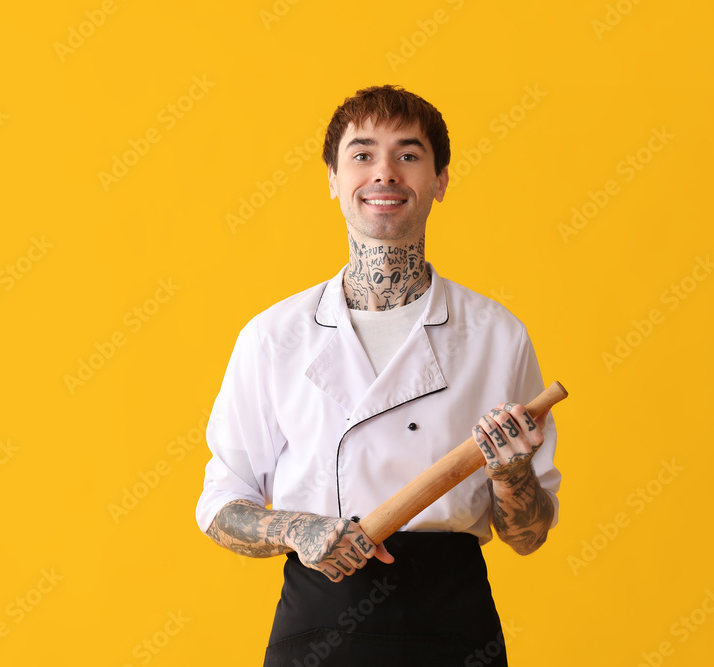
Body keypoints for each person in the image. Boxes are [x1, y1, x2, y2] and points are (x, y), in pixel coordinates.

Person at [196, 85, 561, 666]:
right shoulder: (274, 336)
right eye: (362, 155)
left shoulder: (496, 334)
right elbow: (219, 506)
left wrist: (513, 474)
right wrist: (297, 530)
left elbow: (528, 535)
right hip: (319, 623)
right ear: (334, 182)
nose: (384, 173)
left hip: (453, 624)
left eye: (408, 155)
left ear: (440, 182)